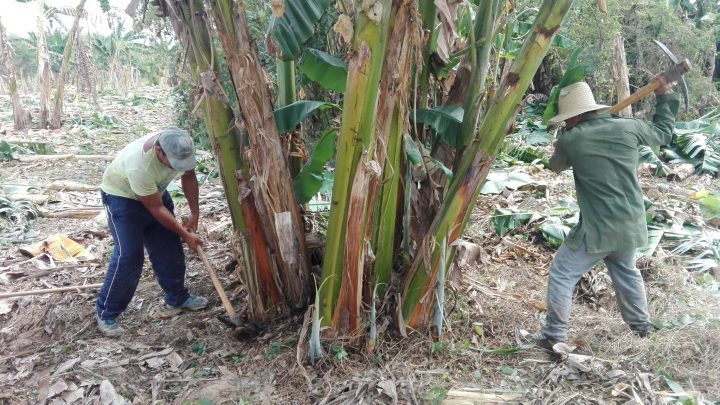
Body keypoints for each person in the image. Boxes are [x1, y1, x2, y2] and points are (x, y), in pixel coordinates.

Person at [538, 79, 679, 354]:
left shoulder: (571, 139)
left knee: (562, 274)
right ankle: (642, 328)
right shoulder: (629, 127)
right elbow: (663, 132)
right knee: (626, 272)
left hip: (597, 228)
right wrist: (664, 96)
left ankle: (554, 335)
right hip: (629, 223)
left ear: (574, 115)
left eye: (566, 118)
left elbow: (554, 166)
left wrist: (562, 138)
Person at [96, 127, 207, 337]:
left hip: (156, 193)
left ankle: (177, 298)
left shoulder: (181, 146)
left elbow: (189, 176)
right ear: (159, 152)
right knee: (129, 255)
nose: (178, 167)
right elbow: (155, 208)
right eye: (173, 163)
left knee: (168, 247)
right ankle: (107, 312)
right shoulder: (140, 166)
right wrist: (186, 234)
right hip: (123, 199)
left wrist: (194, 213)